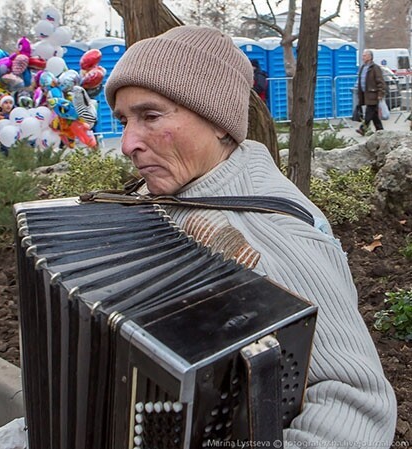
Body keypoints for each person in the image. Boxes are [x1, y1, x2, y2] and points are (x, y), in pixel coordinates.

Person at [103, 25, 396, 446]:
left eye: (150, 116)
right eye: (124, 121)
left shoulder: (274, 235)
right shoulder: (172, 196)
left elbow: (358, 405)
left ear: (219, 123)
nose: (128, 142)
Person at [356, 49, 386, 136]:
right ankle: (380, 130)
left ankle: (363, 128)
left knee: (369, 111)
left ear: (369, 57)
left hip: (373, 94)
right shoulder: (363, 67)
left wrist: (380, 93)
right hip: (365, 93)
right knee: (374, 114)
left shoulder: (375, 68)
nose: (363, 57)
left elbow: (380, 81)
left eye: (364, 56)